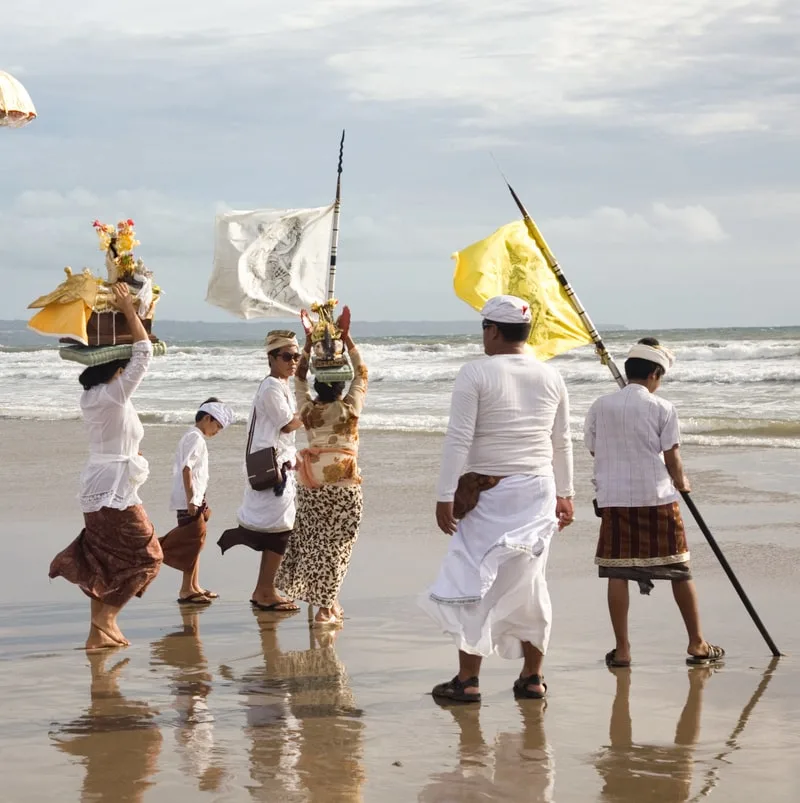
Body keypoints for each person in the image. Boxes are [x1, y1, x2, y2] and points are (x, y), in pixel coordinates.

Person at [420, 294, 575, 703]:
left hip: (490, 491)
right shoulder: (551, 376)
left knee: (474, 580)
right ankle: (533, 677)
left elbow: (459, 437)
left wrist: (444, 494)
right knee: (530, 580)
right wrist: (566, 493)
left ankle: (468, 680)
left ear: (492, 330)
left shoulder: (475, 373)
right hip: (539, 489)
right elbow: (561, 442)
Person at [584, 337, 725, 667]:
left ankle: (622, 650)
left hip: (614, 499)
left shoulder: (600, 406)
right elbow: (672, 457)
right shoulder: (663, 408)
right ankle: (697, 643)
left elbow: (594, 448)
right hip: (657, 497)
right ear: (655, 375)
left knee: (617, 572)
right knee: (680, 570)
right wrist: (683, 482)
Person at [49, 282, 162, 650]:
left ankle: (97, 632)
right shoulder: (112, 396)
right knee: (148, 556)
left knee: (106, 559)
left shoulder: (97, 396)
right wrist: (130, 310)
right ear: (116, 365)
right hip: (110, 488)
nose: (128, 365)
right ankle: (107, 619)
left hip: (103, 483)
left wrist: (134, 452)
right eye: (123, 362)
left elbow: (117, 437)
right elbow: (143, 353)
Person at [276, 307, 368, 627]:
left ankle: (328, 603)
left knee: (317, 544)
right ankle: (325, 609)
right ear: (341, 385)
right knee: (338, 547)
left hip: (312, 482)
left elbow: (299, 377)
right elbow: (363, 374)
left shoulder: (308, 409)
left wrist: (307, 345)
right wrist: (346, 339)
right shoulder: (351, 408)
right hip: (344, 484)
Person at [217, 330, 303, 612]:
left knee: (278, 530)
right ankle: (265, 590)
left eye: (297, 356)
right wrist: (313, 413)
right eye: (287, 356)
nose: (293, 361)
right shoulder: (271, 387)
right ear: (272, 358)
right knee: (280, 532)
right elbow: (287, 423)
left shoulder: (280, 384)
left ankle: (264, 589)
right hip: (273, 469)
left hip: (279, 466)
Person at [160, 397, 234, 605]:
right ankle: (186, 589)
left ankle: (194, 585)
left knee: (196, 543)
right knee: (192, 544)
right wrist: (192, 499)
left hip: (193, 499)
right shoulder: (195, 438)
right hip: (188, 501)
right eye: (217, 427)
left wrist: (202, 501)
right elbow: (187, 469)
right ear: (207, 418)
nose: (216, 432)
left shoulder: (193, 436)